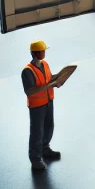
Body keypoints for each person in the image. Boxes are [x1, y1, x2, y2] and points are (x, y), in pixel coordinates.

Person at [22, 40, 60, 171]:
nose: (44, 53)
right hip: (37, 105)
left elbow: (48, 78)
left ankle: (45, 148)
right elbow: (30, 90)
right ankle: (35, 159)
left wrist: (59, 77)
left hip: (49, 101)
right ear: (36, 53)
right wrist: (49, 85)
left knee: (49, 126)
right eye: (42, 51)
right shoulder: (27, 71)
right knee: (37, 131)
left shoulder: (45, 64)